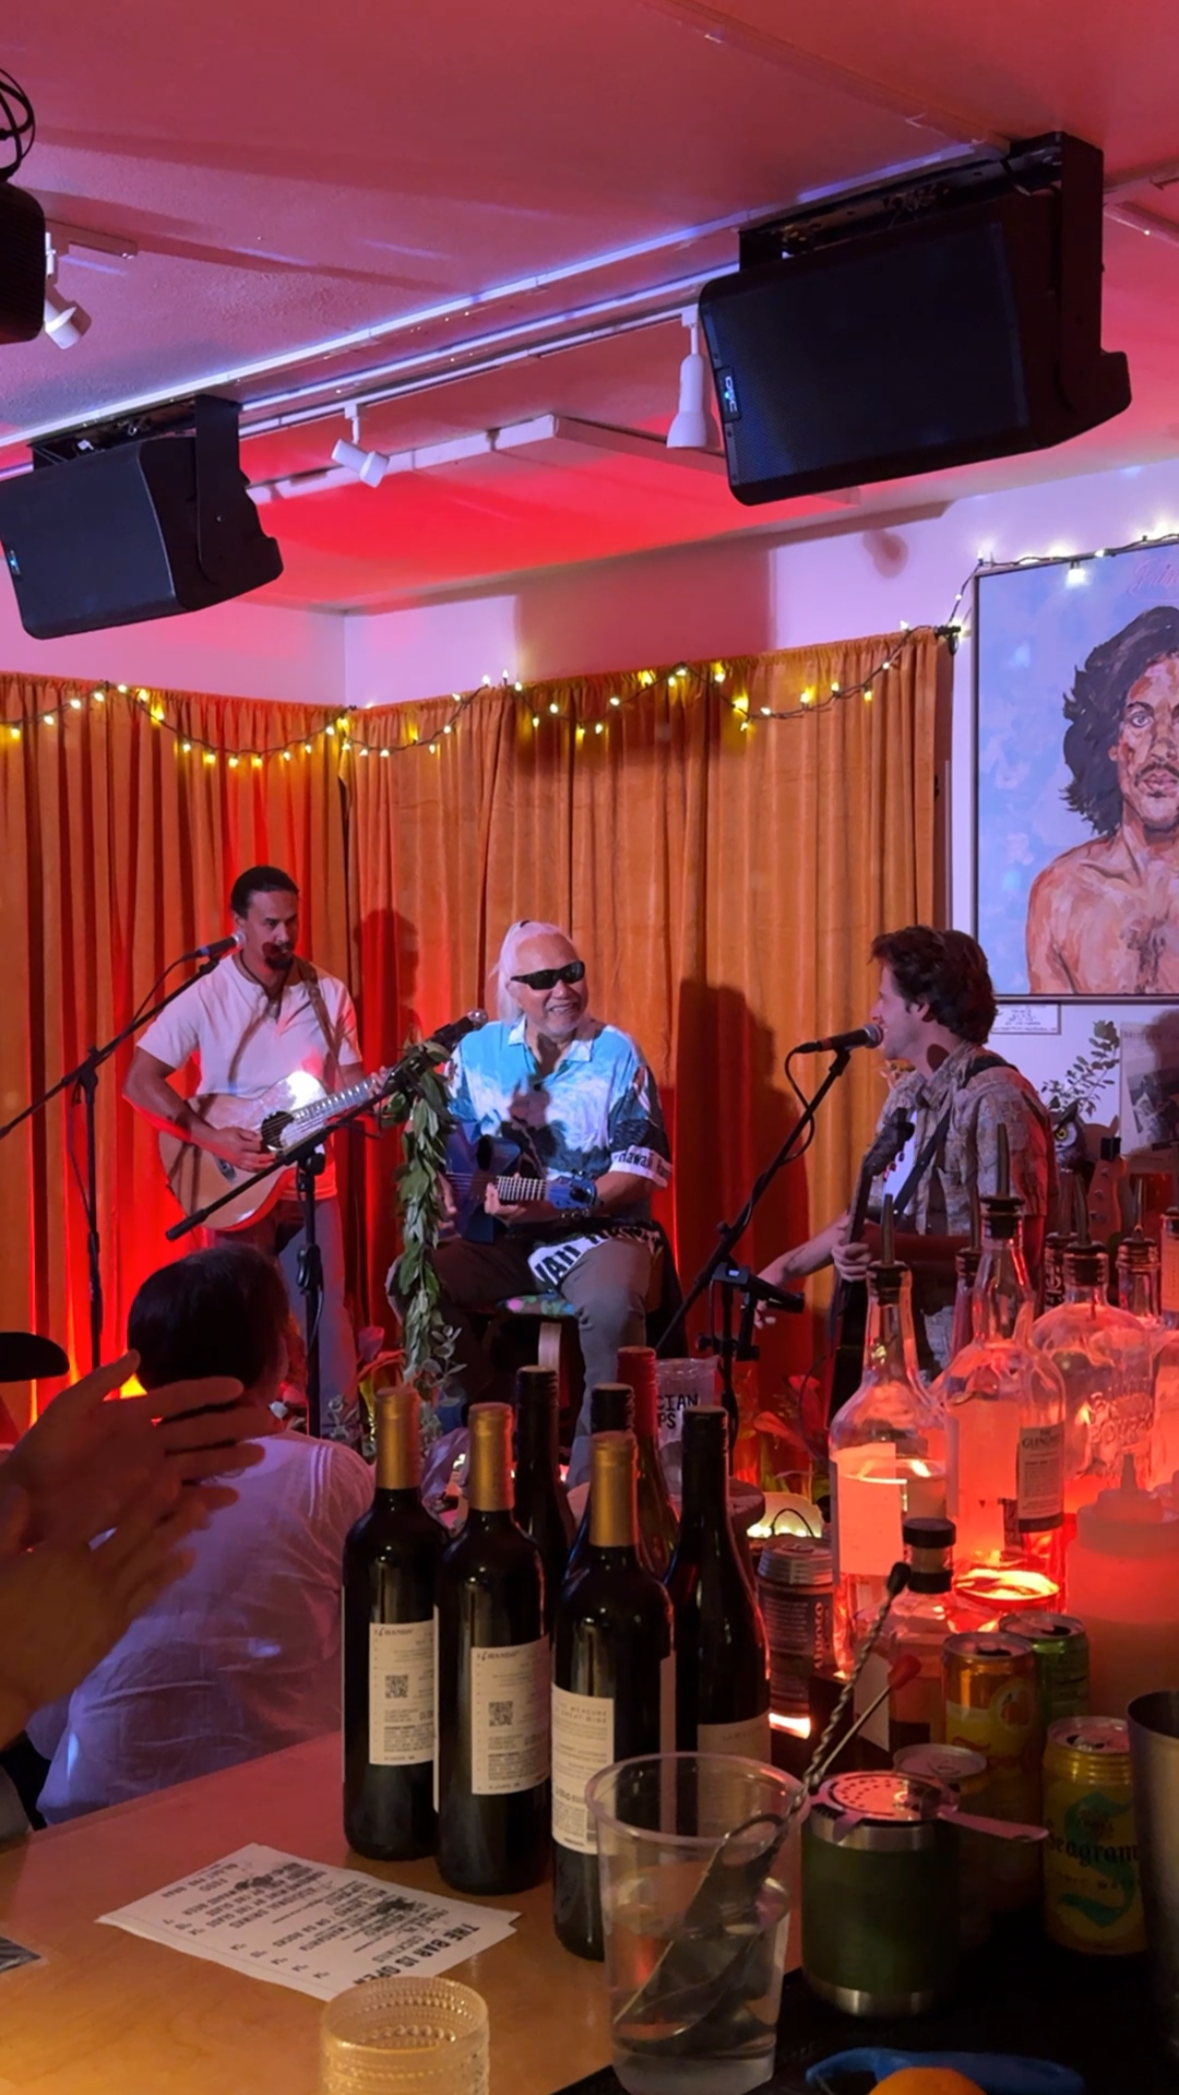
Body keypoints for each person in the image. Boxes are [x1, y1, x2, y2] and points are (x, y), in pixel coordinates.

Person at [28, 1245, 374, 1822]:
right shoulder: (328, 1474)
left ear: (144, 1372)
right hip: (278, 1813)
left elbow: (45, 1729)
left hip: (91, 1813)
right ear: (278, 1354)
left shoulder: (95, 1486)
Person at [424, 920, 672, 1483]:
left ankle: (596, 1483)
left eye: (572, 974)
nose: (563, 990)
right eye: (543, 980)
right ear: (512, 991)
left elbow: (640, 1172)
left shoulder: (615, 1053)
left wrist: (557, 1206)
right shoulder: (476, 1052)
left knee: (611, 1308)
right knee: (412, 1279)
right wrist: (443, 1183)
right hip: (507, 1240)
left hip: (601, 1233)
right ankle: (489, 1413)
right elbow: (450, 1143)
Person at [124, 864, 363, 1416]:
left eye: (292, 922)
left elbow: (350, 1082)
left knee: (326, 1309)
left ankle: (341, 1438)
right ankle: (236, 1440)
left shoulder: (327, 992)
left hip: (309, 1177)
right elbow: (138, 1081)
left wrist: (385, 1094)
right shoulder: (206, 995)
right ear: (239, 925)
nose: (284, 935)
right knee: (237, 1315)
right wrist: (215, 1140)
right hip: (234, 1182)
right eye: (270, 923)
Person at [760, 926, 1054, 1375]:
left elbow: (1020, 1250)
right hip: (899, 1353)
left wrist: (896, 1248)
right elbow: (873, 1218)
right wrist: (784, 1269)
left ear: (921, 1005)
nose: (873, 1012)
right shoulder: (907, 1095)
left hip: (971, 1364)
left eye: (884, 998)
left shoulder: (996, 1100)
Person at [1027, 605, 1179, 993]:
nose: (1161, 748)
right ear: (1112, 740)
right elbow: (1057, 1049)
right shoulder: (1061, 893)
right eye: (1140, 719)